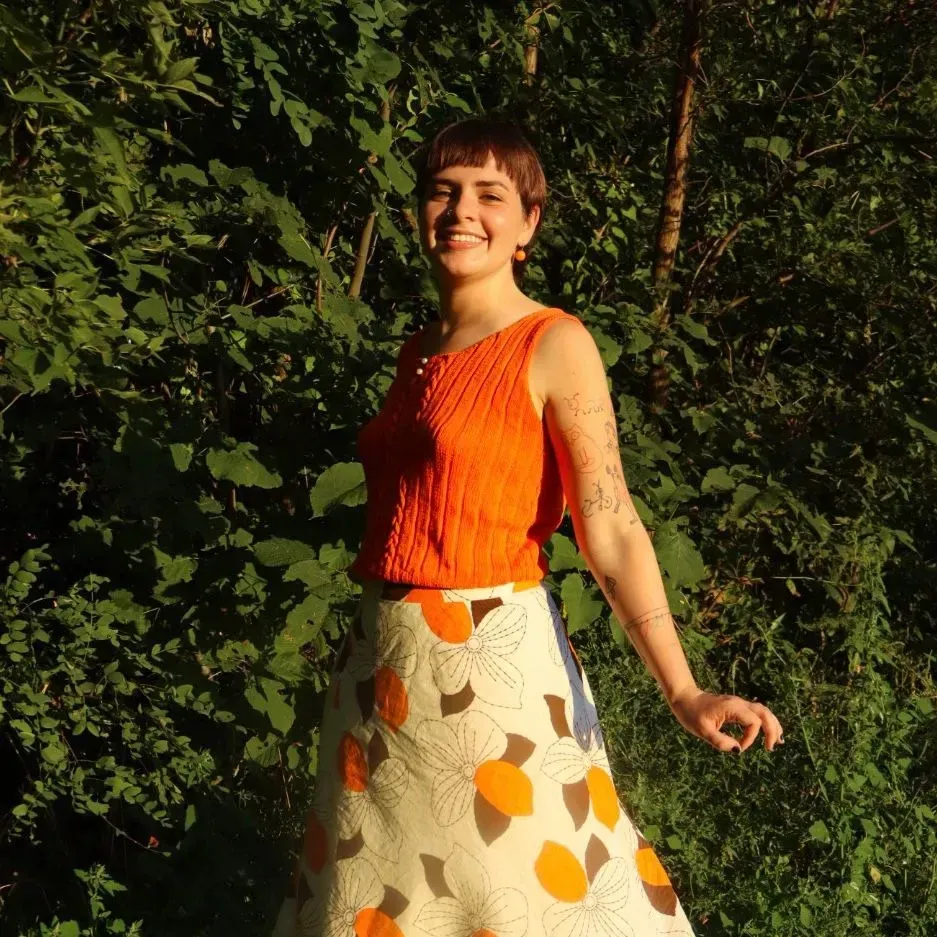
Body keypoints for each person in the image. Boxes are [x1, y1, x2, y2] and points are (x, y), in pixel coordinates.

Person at [272, 116, 784, 937]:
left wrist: (682, 689)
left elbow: (609, 523)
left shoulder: (553, 342)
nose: (460, 211)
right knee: (377, 895)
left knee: (526, 896)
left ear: (527, 223)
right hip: (380, 670)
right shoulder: (418, 351)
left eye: (488, 194)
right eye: (442, 191)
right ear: (418, 211)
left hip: (491, 669)